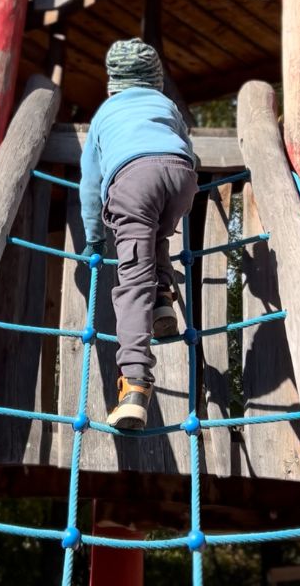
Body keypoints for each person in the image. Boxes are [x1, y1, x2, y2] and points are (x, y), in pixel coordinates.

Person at [79, 38, 198, 429]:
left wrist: (94, 239)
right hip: (182, 177)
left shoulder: (104, 115)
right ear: (155, 80)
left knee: (132, 279)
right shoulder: (166, 105)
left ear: (112, 84)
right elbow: (187, 148)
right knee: (155, 234)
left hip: (133, 181)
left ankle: (134, 385)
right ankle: (162, 299)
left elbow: (90, 185)